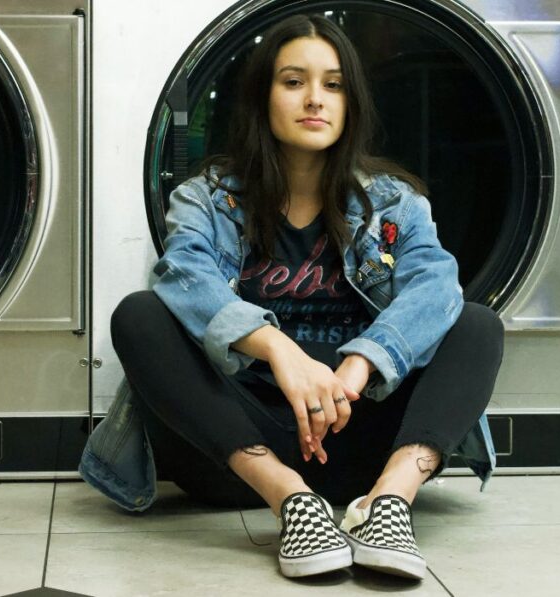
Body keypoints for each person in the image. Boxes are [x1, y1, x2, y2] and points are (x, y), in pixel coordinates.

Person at [88, 13, 503, 581]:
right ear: (263, 97)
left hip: (359, 437)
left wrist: (359, 367)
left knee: (477, 324)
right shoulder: (207, 198)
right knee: (140, 315)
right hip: (238, 445)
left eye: (333, 85)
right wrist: (283, 353)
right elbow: (185, 275)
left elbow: (434, 288)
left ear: (351, 102)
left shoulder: (394, 202)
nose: (315, 99)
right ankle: (292, 502)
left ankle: (388, 505)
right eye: (293, 81)